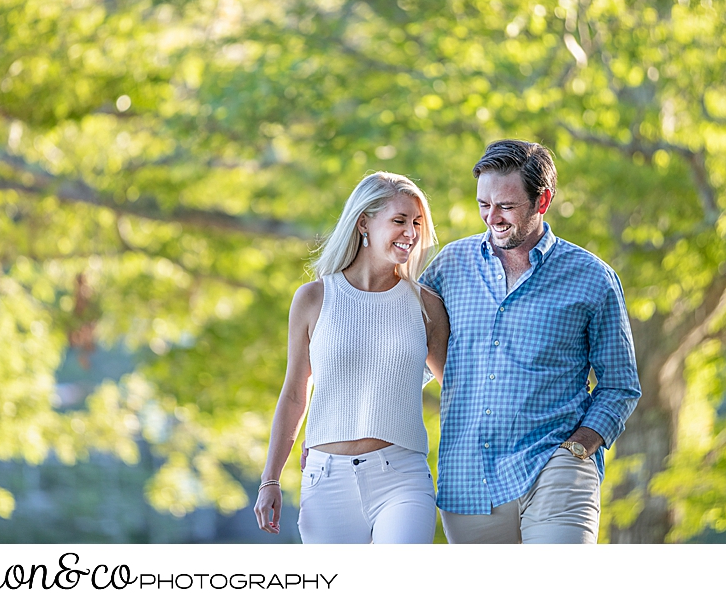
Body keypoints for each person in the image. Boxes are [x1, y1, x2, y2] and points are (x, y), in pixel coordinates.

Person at [419, 139, 642, 544]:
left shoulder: (592, 277)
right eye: (484, 204)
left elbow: (620, 384)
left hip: (555, 467)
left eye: (506, 205)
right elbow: (396, 350)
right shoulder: (449, 266)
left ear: (543, 201)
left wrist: (578, 449)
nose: (493, 217)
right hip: (469, 482)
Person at [253, 171, 449, 544]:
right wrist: (270, 479)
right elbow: (295, 393)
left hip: (402, 478)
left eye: (417, 223)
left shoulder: (426, 306)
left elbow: (457, 392)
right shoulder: (313, 298)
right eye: (399, 221)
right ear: (364, 222)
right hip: (326, 481)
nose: (411, 232)